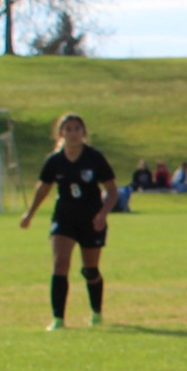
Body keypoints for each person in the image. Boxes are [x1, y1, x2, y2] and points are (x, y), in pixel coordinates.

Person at [19, 113, 117, 330]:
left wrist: (102, 214)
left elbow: (112, 191)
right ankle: (58, 319)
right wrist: (30, 214)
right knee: (60, 263)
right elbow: (43, 188)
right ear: (60, 133)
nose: (73, 133)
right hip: (64, 218)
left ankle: (96, 312)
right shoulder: (54, 161)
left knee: (90, 269)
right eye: (68, 129)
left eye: (77, 129)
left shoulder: (94, 158)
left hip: (91, 220)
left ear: (84, 133)